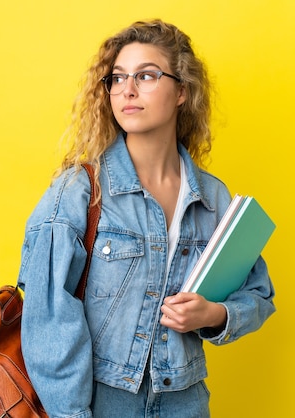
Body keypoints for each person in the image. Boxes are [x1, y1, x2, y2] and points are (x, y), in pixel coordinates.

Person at [17, 19, 275, 418]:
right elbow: (48, 317)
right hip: (101, 403)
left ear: (182, 92)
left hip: (185, 402)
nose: (128, 90)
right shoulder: (81, 191)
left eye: (147, 75)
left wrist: (213, 314)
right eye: (117, 78)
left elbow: (259, 295)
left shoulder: (213, 198)